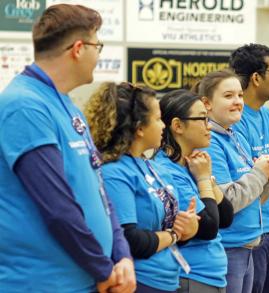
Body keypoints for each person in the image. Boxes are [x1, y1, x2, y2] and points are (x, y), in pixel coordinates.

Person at [0, 4, 135, 293]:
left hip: (84, 279)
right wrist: (103, 268)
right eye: (98, 46)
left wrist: (121, 253)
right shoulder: (24, 105)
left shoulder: (68, 105)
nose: (99, 55)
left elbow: (98, 190)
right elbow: (57, 206)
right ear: (78, 48)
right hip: (42, 284)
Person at [85, 82, 199, 293]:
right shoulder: (114, 172)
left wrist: (188, 228)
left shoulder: (151, 166)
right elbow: (131, 239)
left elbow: (165, 228)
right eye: (157, 119)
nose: (163, 125)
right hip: (140, 282)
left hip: (169, 279)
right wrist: (174, 234)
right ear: (139, 128)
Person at [194, 69, 269, 293]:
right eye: (228, 96)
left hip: (249, 244)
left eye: (240, 95)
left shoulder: (236, 136)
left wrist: (268, 176)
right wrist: (259, 174)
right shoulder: (209, 143)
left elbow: (256, 198)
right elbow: (227, 202)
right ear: (207, 103)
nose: (238, 102)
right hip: (228, 247)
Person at [229, 44, 269, 293]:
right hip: (249, 234)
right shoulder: (235, 119)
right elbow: (246, 176)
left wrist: (266, 168)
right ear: (256, 78)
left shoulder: (268, 117)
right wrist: (266, 168)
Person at [155, 89, 234, 293]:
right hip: (191, 277)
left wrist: (205, 179)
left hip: (212, 276)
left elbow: (226, 217)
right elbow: (209, 227)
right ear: (178, 126)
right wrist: (204, 180)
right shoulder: (167, 170)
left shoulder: (192, 164)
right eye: (202, 119)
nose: (209, 126)